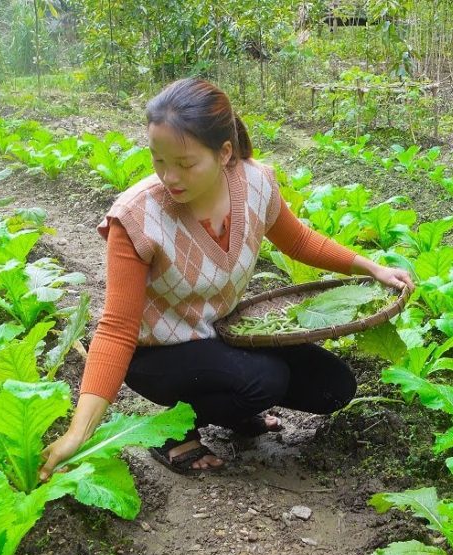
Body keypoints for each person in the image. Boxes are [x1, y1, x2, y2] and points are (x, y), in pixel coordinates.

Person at [38, 78, 412, 477]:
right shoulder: (136, 218)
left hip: (220, 334)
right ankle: (171, 432)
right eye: (159, 160)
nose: (170, 177)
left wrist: (370, 267)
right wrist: (78, 433)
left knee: (334, 386)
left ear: (225, 153)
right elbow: (116, 329)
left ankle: (235, 408)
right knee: (265, 380)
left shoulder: (254, 183)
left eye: (185, 163)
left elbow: (298, 240)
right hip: (158, 355)